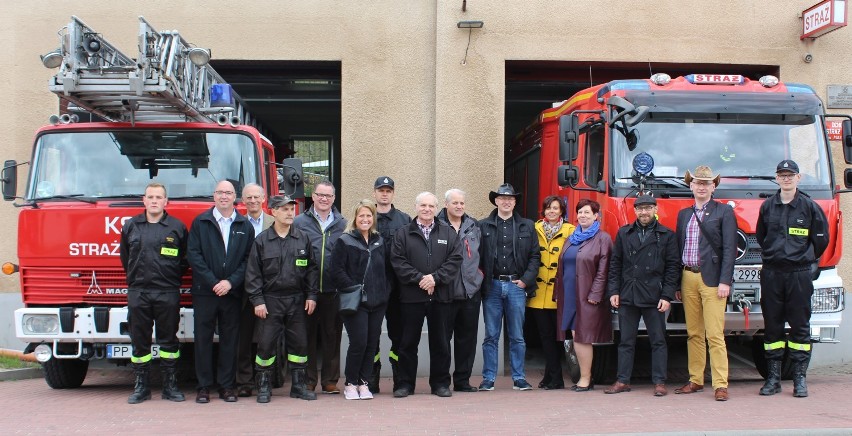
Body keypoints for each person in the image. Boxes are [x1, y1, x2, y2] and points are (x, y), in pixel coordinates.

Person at [756, 159, 829, 398]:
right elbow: (761, 235)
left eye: (790, 175)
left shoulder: (809, 207)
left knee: (800, 328)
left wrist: (805, 260)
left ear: (799, 178)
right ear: (777, 178)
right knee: (772, 328)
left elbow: (821, 240)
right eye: (782, 175)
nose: (786, 179)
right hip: (772, 274)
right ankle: (773, 379)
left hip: (798, 274)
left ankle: (799, 379)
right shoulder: (767, 206)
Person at [245, 195, 319, 402]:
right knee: (266, 345)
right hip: (270, 301)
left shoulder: (302, 238)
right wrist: (257, 300)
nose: (289, 213)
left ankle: (298, 386)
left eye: (291, 209)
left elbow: (312, 269)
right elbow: (253, 273)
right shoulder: (261, 240)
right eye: (284, 209)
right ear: (273, 212)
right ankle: (263, 387)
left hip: (297, 300)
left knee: (299, 345)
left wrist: (312, 295)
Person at [119, 182, 188, 404]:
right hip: (139, 292)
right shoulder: (131, 226)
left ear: (166, 201)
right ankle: (141, 387)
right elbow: (125, 257)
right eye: (151, 197)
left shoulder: (176, 227)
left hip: (167, 291)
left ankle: (170, 385)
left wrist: (169, 278)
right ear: (144, 200)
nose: (154, 200)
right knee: (140, 342)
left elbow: (184, 260)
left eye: (159, 197)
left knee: (169, 342)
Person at [605, 195, 680, 397]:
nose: (644, 212)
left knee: (658, 340)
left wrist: (667, 295)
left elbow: (672, 268)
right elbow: (615, 265)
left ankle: (659, 381)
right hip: (628, 293)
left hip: (654, 294)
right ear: (635, 211)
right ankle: (622, 380)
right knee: (626, 340)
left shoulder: (667, 235)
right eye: (640, 209)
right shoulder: (624, 233)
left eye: (648, 208)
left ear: (655, 209)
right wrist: (613, 291)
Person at [187, 180, 255, 403]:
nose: (224, 196)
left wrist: (230, 283)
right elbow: (194, 256)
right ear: (214, 196)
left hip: (232, 294)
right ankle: (204, 387)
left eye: (228, 192)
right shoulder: (201, 222)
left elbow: (248, 260)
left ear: (235, 197)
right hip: (205, 292)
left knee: (229, 341)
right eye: (220, 192)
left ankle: (227, 387)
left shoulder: (245, 225)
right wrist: (214, 281)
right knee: (203, 340)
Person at [390, 192, 463, 398]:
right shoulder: (403, 233)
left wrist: (435, 279)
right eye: (423, 205)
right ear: (416, 207)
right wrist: (421, 279)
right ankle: (405, 384)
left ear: (436, 208)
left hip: (440, 297)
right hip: (411, 298)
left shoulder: (448, 233)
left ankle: (440, 384)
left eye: (431, 206)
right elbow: (398, 261)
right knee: (407, 343)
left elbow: (455, 259)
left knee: (440, 342)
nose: (427, 209)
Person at [674, 166, 737, 402]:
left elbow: (730, 250)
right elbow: (679, 247)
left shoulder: (723, 212)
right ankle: (695, 379)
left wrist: (725, 281)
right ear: (690, 186)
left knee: (715, 334)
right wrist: (678, 285)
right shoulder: (684, 214)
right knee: (694, 333)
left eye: (706, 183)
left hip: (712, 280)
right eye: (698, 182)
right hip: (688, 276)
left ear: (713, 187)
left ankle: (720, 384)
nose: (701, 186)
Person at [478, 183, 541, 392]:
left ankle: (519, 377)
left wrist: (525, 280)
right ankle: (488, 378)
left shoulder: (527, 226)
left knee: (517, 335)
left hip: (516, 286)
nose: (506, 201)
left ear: (515, 202)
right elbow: (475, 257)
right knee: (491, 335)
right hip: (493, 286)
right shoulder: (483, 226)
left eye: (510, 199)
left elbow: (535, 256)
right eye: (502, 198)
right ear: (496, 201)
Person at [331, 199, 389, 400]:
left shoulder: (379, 240)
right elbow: (336, 271)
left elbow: (386, 270)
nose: (365, 219)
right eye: (361, 215)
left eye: (368, 215)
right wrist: (354, 287)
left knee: (372, 344)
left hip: (378, 301)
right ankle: (350, 383)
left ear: (373, 218)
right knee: (359, 343)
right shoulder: (345, 240)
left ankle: (364, 383)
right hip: (356, 302)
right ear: (355, 218)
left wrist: (384, 291)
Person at [294, 180, 346, 394]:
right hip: (307, 291)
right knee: (307, 336)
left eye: (328, 196)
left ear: (333, 198)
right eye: (320, 195)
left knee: (332, 336)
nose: (324, 199)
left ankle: (330, 380)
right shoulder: (299, 222)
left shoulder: (343, 224)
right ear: (312, 196)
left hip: (334, 291)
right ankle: (308, 380)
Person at [555, 199, 612, 392]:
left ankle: (586, 379)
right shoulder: (571, 238)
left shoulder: (603, 238)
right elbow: (560, 267)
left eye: (587, 212)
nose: (583, 216)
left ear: (596, 216)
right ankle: (584, 376)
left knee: (582, 336)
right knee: (573, 335)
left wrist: (596, 293)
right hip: (569, 294)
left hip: (587, 295)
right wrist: (557, 292)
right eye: (580, 212)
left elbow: (604, 270)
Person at [436, 188, 484, 392]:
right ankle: (441, 383)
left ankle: (463, 381)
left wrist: (479, 278)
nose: (459, 206)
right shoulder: (437, 226)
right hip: (445, 292)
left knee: (467, 340)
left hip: (469, 292)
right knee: (442, 341)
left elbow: (483, 254)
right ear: (446, 204)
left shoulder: (473, 226)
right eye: (454, 203)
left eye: (462, 203)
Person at [528, 195, 575, 390]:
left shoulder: (571, 230)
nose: (552, 211)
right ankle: (551, 376)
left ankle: (555, 378)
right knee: (545, 337)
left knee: (558, 337)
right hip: (539, 293)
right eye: (548, 208)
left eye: (556, 208)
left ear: (562, 211)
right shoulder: (535, 228)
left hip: (560, 293)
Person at [371, 176, 411, 393]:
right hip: (374, 286)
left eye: (388, 190)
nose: (384, 194)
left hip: (399, 288)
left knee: (399, 335)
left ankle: (400, 381)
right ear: (375, 193)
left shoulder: (404, 220)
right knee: (371, 335)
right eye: (381, 190)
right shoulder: (367, 217)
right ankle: (371, 379)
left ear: (393, 193)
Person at [236, 183, 274, 397]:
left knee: (266, 338)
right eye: (248, 197)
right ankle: (244, 381)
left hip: (269, 289)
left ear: (263, 199)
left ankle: (263, 379)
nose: (252, 201)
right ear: (243, 200)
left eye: (256, 197)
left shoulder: (272, 222)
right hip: (242, 290)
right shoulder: (237, 223)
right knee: (243, 337)